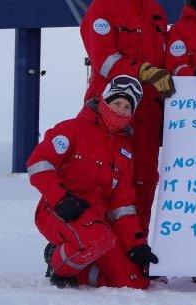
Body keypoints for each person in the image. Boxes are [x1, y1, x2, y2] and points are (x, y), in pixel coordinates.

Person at [27, 75, 162, 289]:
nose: (120, 110)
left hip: (98, 222)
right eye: (116, 102)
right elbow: (38, 164)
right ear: (104, 101)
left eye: (127, 107)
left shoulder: (125, 150)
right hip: (58, 210)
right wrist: (61, 199)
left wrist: (136, 244)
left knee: (134, 282)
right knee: (97, 241)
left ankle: (80, 267)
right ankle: (56, 261)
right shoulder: (72, 129)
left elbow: (122, 206)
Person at [79, 0, 173, 236]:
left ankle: (136, 245)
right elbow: (103, 59)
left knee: (144, 178)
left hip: (148, 114)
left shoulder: (155, 9)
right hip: (112, 112)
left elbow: (167, 58)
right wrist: (143, 71)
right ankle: (100, 246)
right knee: (107, 178)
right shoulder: (101, 9)